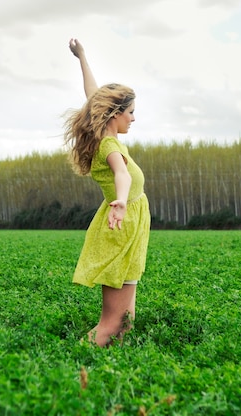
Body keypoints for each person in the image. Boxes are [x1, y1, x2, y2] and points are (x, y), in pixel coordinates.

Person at [64, 38, 151, 347]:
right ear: (116, 114)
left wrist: (82, 56)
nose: (133, 117)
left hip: (129, 226)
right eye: (130, 112)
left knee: (126, 323)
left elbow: (93, 95)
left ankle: (111, 374)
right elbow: (122, 174)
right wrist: (122, 202)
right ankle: (68, 368)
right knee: (112, 323)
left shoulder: (104, 132)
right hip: (121, 225)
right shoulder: (110, 145)